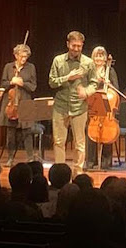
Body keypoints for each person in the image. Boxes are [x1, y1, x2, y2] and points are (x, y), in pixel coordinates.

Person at [48, 31, 97, 175]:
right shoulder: (58, 60)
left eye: (79, 46)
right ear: (68, 44)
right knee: (58, 142)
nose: (76, 49)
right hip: (60, 106)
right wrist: (67, 78)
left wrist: (87, 92)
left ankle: (78, 174)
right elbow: (51, 82)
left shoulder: (88, 62)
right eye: (74, 45)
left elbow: (94, 83)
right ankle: (60, 174)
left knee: (79, 144)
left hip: (79, 107)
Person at [0, 44, 37, 167]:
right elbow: (3, 84)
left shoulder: (31, 67)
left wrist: (22, 83)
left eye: (26, 57)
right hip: (10, 104)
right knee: (11, 133)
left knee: (27, 132)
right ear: (15, 55)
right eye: (21, 56)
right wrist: (11, 82)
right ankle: (10, 158)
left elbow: (33, 86)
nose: (24, 59)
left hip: (25, 102)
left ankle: (30, 158)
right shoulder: (8, 67)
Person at [86, 46, 119, 169]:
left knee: (107, 131)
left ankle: (106, 161)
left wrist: (109, 85)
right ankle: (90, 161)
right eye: (97, 55)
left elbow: (117, 89)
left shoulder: (110, 71)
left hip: (106, 107)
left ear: (105, 58)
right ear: (93, 57)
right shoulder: (90, 71)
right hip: (93, 106)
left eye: (101, 56)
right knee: (89, 131)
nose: (99, 58)